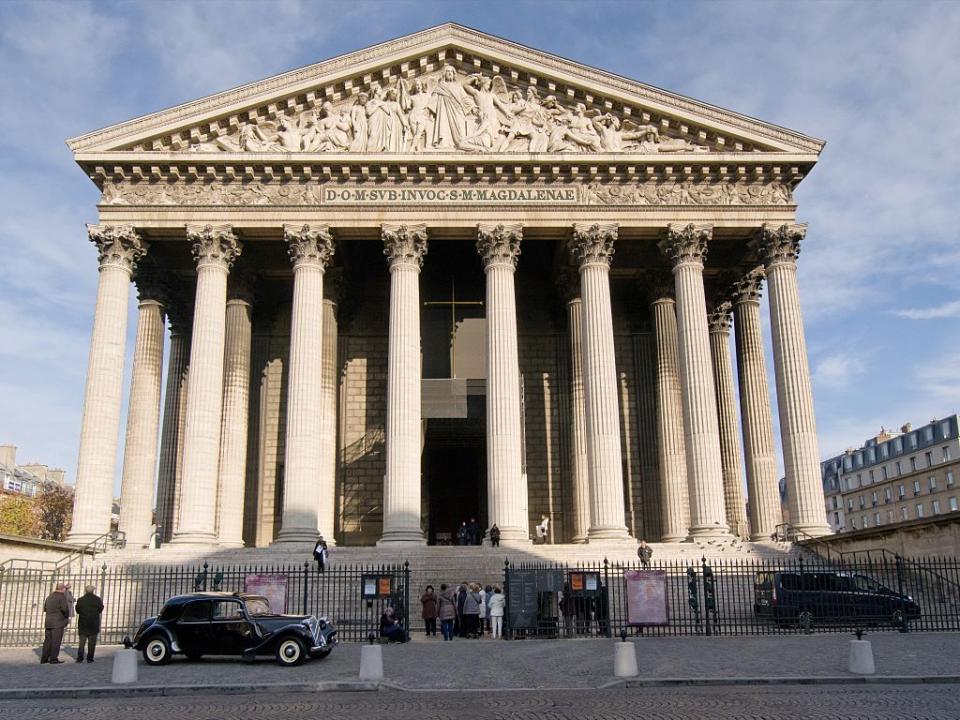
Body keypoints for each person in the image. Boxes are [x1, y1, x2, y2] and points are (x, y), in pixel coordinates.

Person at [40, 583, 69, 664]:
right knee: (56, 641)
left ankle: (44, 658)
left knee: (47, 641)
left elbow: (45, 608)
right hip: (58, 622)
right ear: (63, 589)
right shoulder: (61, 597)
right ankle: (53, 658)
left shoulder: (49, 597)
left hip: (48, 621)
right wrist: (66, 617)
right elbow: (65, 609)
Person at [74, 585, 104, 663]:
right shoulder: (97, 599)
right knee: (92, 642)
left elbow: (77, 610)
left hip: (83, 623)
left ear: (85, 591)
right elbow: (101, 608)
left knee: (82, 642)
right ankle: (90, 658)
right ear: (93, 591)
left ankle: (80, 658)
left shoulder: (81, 600)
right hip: (93, 623)